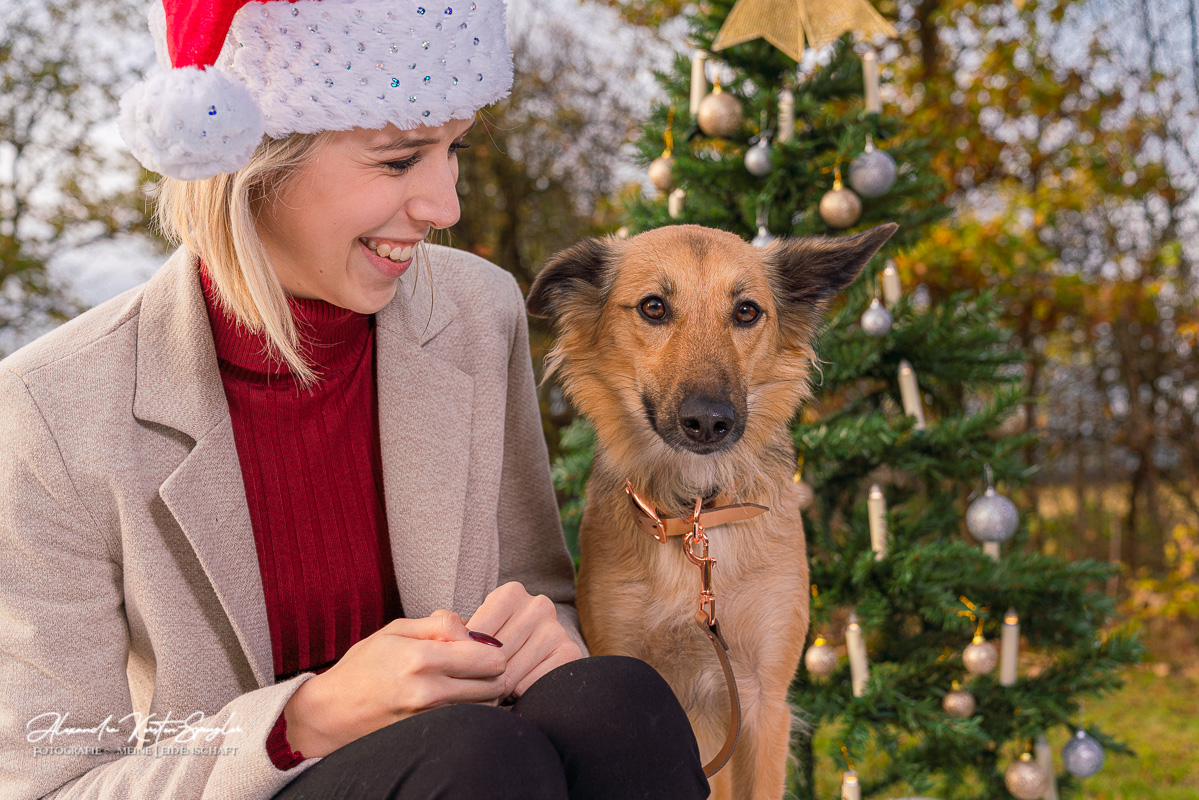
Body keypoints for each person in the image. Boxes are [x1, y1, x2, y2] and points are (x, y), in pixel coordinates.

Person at [0, 0, 710, 798]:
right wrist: (305, 720)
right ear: (256, 160)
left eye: (453, 150)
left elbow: (533, 587)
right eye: (399, 161)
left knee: (612, 704)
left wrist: (548, 639)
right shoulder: (51, 409)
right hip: (295, 781)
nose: (445, 206)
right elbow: (52, 784)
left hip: (484, 764)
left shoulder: (477, 312)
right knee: (471, 755)